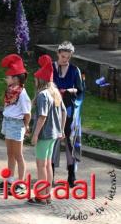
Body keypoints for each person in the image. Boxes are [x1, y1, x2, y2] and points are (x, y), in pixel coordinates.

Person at [28, 55, 66, 206]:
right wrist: (61, 130)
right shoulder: (55, 92)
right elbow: (64, 112)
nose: (35, 81)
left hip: (45, 135)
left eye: (36, 79)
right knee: (48, 164)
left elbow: (42, 116)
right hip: (54, 135)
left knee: (41, 165)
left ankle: (41, 197)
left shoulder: (43, 95)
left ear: (40, 80)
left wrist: (35, 135)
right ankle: (47, 195)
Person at [0, 54, 32, 194]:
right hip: (8, 122)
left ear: (15, 78)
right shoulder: (9, 92)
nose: (5, 79)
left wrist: (26, 126)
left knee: (18, 155)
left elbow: (27, 113)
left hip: (16, 124)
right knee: (10, 153)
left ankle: (21, 184)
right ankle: (10, 180)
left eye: (7, 77)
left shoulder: (22, 94)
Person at [51, 41, 84, 187]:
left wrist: (68, 91)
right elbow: (44, 85)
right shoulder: (51, 67)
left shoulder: (75, 70)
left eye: (68, 57)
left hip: (69, 109)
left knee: (70, 141)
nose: (65, 59)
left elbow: (80, 89)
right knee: (52, 139)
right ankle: (49, 174)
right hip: (53, 108)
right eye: (63, 56)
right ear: (58, 54)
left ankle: (72, 175)